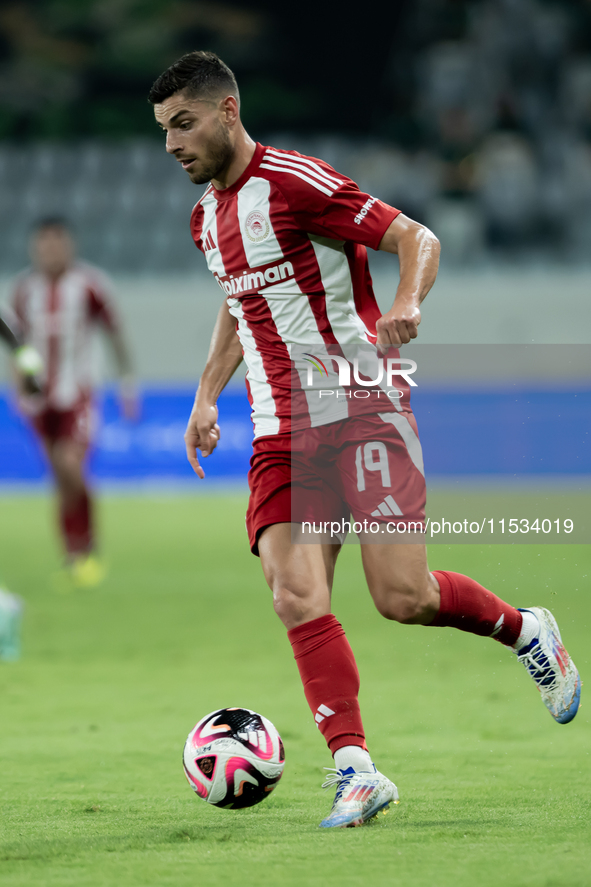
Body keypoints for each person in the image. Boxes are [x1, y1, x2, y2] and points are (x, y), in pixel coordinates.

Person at [149, 52, 581, 829]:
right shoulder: (203, 220)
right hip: (282, 431)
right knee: (293, 592)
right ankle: (357, 768)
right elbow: (240, 307)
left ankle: (526, 629)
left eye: (183, 124)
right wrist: (205, 396)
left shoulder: (296, 181)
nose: (173, 144)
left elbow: (418, 237)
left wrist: (408, 302)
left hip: (359, 410)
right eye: (163, 131)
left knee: (401, 597)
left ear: (227, 112)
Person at [12, 218, 137, 588]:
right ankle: (73, 554)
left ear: (69, 245)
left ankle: (89, 546)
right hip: (39, 401)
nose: (50, 250)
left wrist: (127, 384)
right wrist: (19, 389)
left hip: (77, 396)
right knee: (60, 479)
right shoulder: (23, 291)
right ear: (35, 248)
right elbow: (16, 347)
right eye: (43, 243)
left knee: (71, 466)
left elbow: (115, 335)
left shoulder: (89, 285)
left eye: (57, 242)